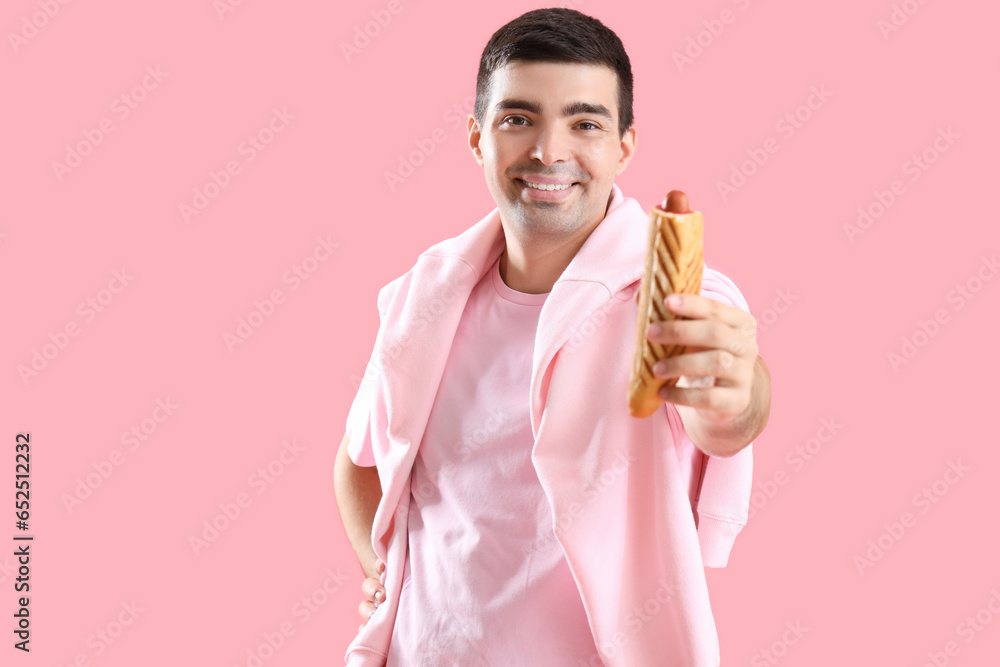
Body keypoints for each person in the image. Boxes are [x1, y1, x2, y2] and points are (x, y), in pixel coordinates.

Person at [334, 8, 771, 666]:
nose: (548, 151)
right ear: (478, 138)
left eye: (585, 122)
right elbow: (358, 462)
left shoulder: (675, 299)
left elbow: (728, 416)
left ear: (623, 146)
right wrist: (384, 570)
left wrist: (735, 390)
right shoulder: (423, 296)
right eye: (518, 118)